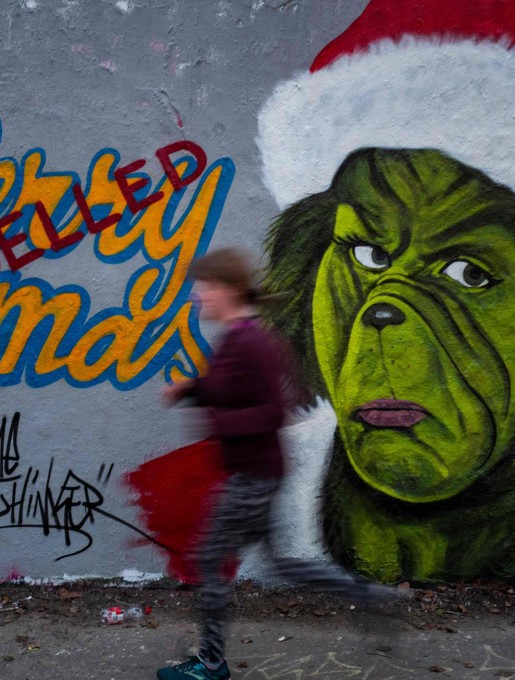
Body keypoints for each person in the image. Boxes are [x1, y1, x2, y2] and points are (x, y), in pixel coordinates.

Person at [157, 247, 396, 680]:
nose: (198, 296)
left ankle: (210, 665)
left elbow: (271, 412)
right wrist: (191, 389)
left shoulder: (250, 342)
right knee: (282, 566)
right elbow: (225, 386)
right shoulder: (240, 337)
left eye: (205, 287)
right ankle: (369, 594)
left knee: (208, 559)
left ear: (229, 290)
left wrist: (218, 421)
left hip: (252, 476)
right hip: (256, 472)